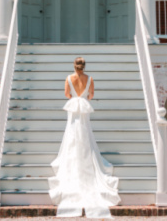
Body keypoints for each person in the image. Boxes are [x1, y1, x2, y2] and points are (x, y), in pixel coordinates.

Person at [48, 57, 121, 218]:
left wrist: (75, 98)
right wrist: (83, 96)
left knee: (72, 133)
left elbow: (67, 94)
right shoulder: (90, 79)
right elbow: (91, 95)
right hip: (83, 109)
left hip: (73, 110)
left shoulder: (69, 78)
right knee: (86, 134)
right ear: (84, 66)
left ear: (74, 66)